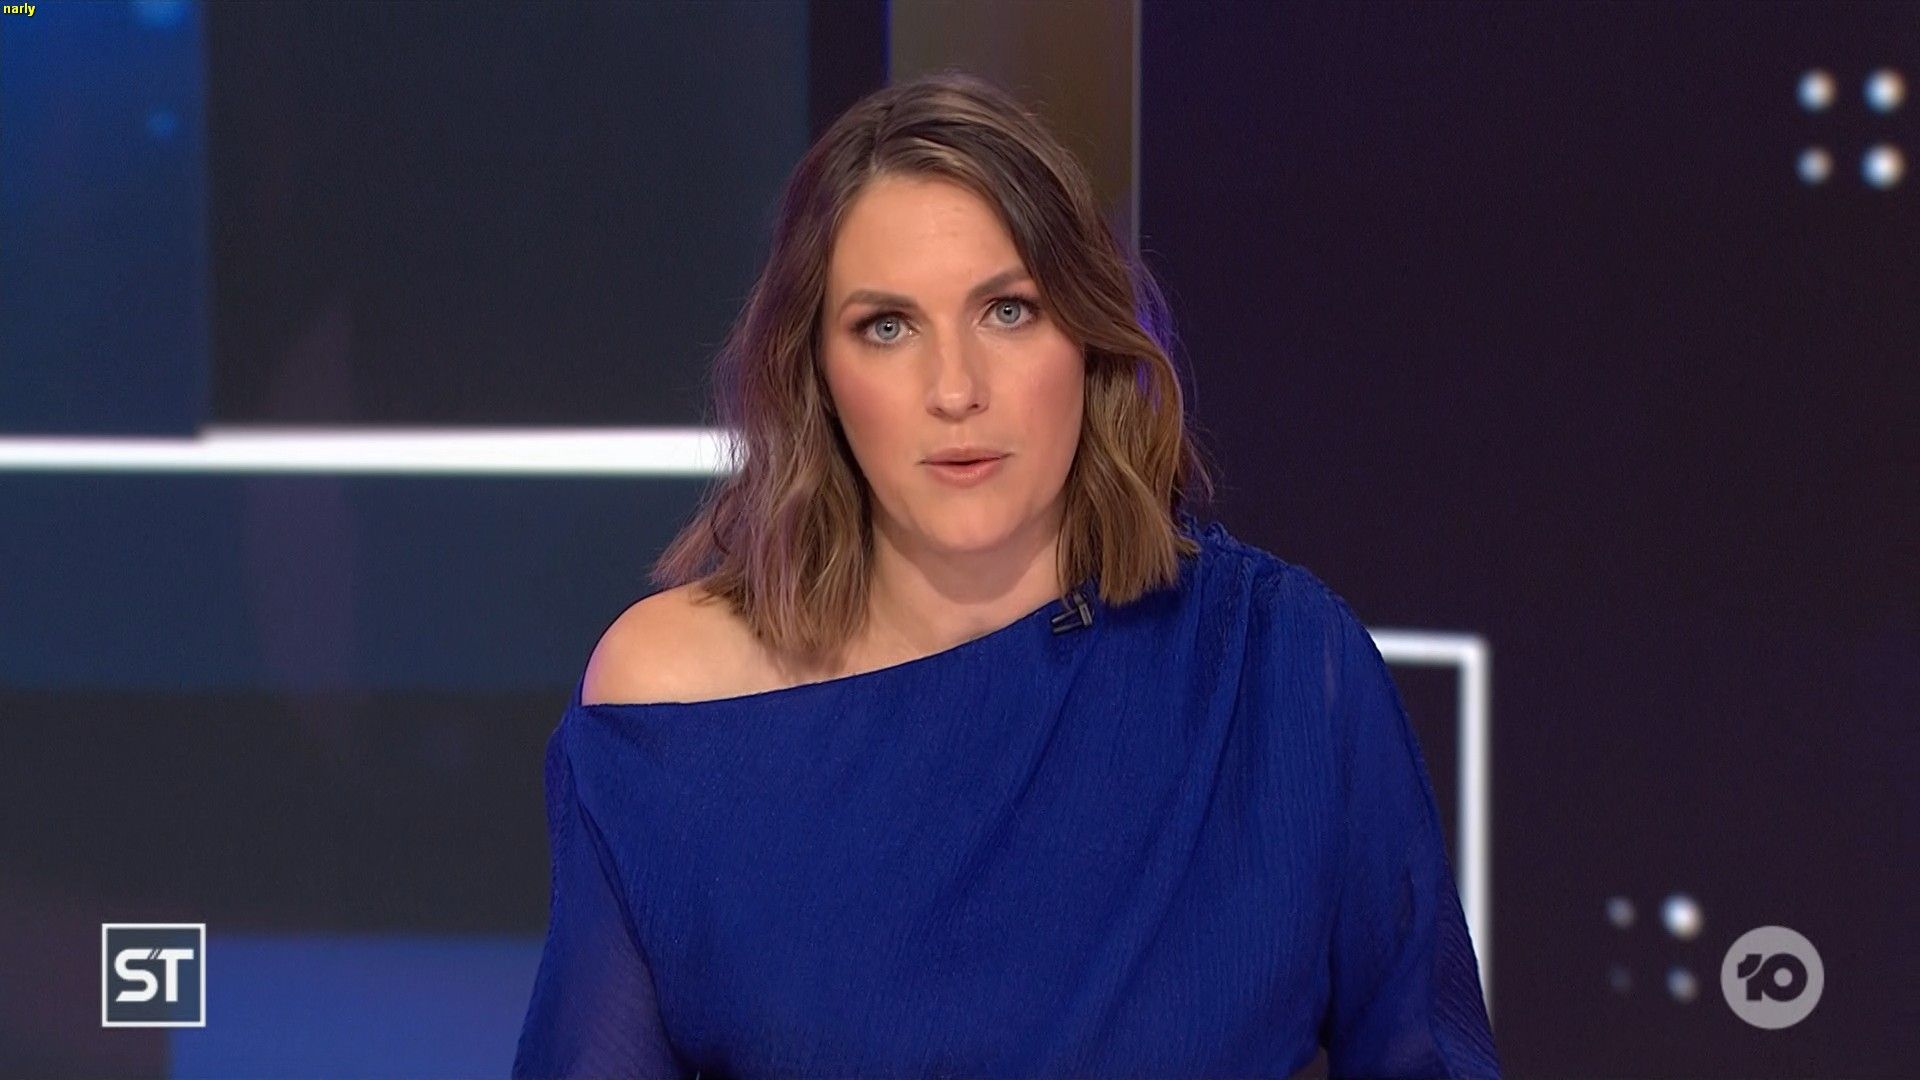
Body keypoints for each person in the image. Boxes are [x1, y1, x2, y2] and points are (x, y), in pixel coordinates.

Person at [512, 70, 1500, 1079]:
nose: (955, 389)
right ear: (817, 375)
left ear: (1088, 335)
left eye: (1009, 311)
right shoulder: (673, 709)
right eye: (887, 327)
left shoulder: (1279, 673)